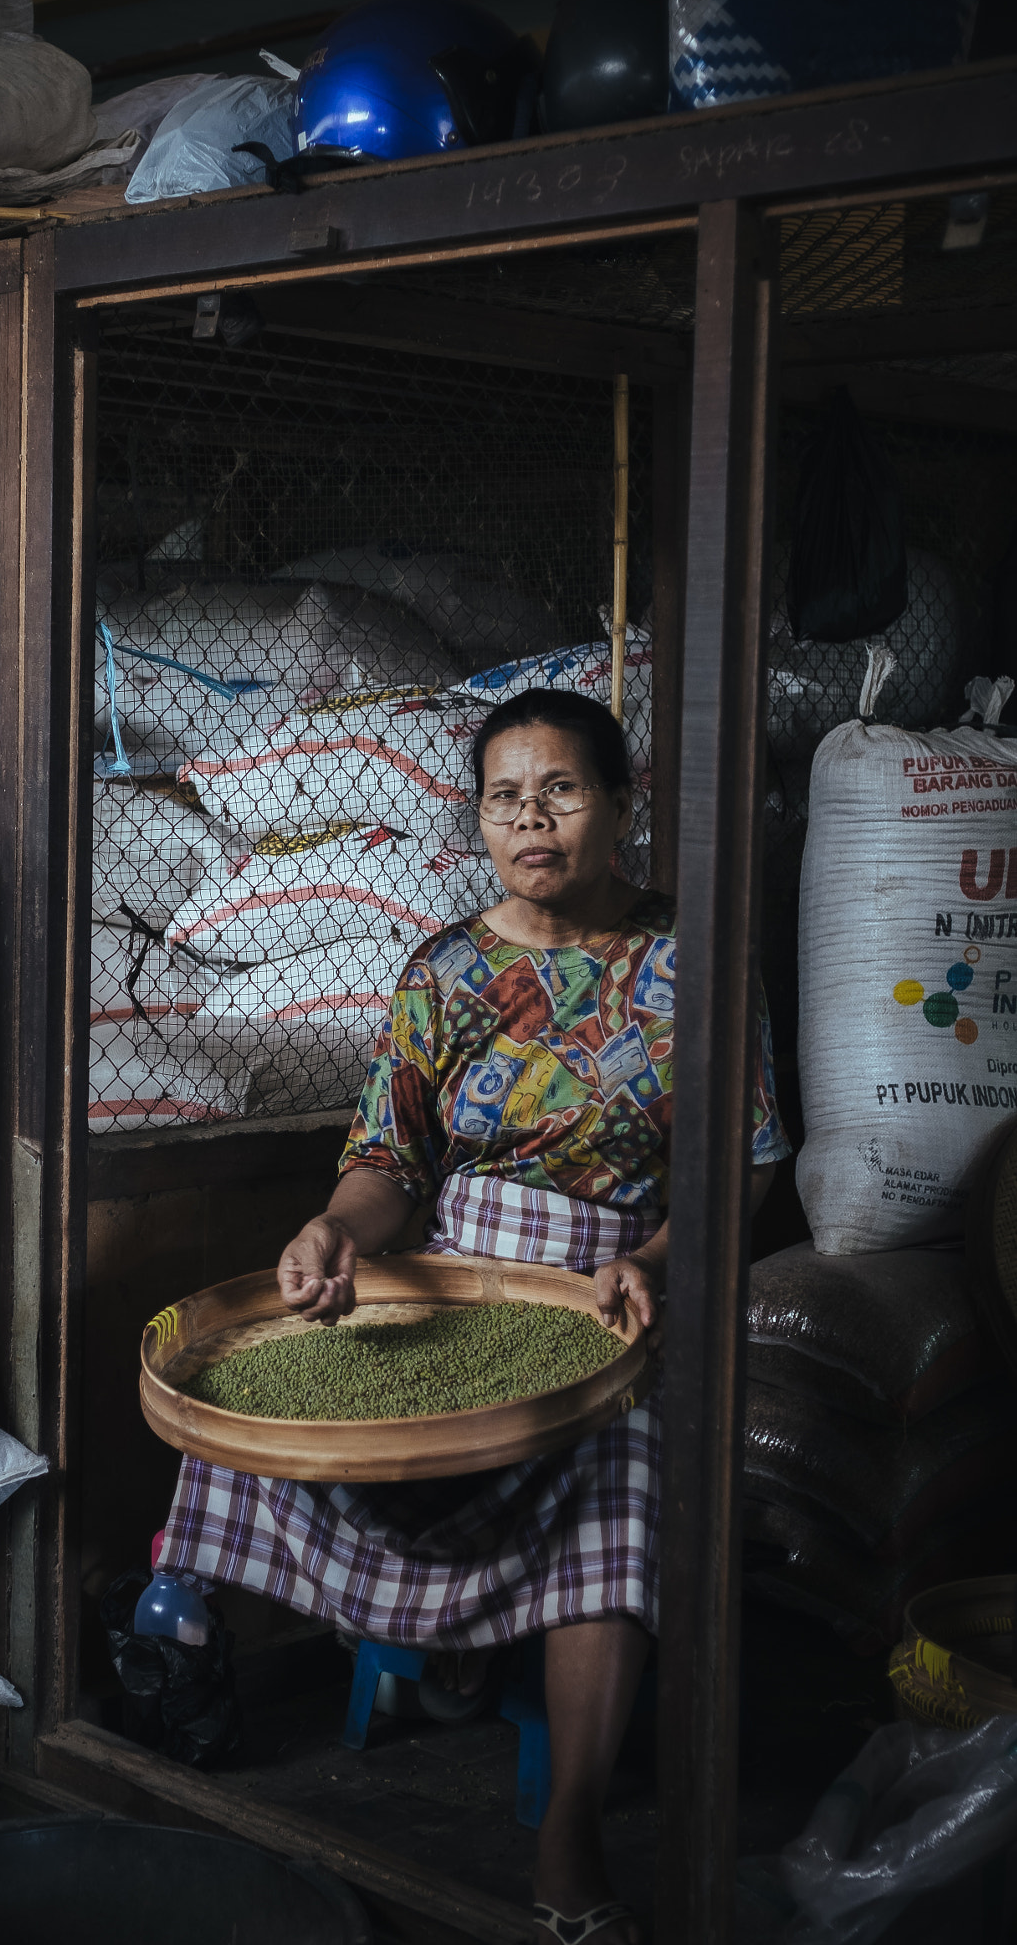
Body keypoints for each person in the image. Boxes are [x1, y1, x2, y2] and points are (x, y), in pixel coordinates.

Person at [157, 687, 790, 1944]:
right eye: (505, 797)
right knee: (257, 1392)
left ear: (621, 805)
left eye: (560, 790)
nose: (531, 819)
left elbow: (750, 1161)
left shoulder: (690, 964)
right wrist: (337, 1229)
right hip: (454, 1275)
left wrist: (660, 1255)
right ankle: (190, 1647)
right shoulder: (443, 970)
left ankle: (568, 1834)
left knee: (622, 1459)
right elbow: (390, 1163)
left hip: (616, 1285)